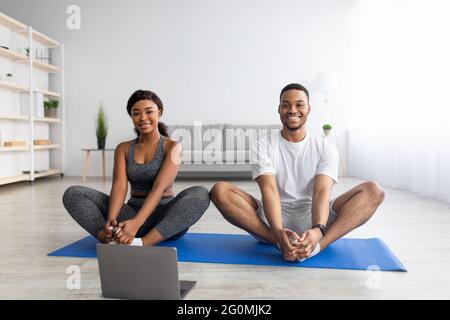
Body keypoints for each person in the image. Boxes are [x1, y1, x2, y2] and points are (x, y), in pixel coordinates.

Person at [210, 83, 385, 261]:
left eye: (299, 104)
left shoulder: (326, 148)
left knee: (374, 191)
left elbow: (321, 192)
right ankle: (278, 242)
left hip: (314, 216)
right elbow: (269, 190)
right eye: (286, 105)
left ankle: (318, 246)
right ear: (279, 109)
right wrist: (278, 233)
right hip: (271, 221)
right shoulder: (263, 146)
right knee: (220, 190)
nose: (292, 110)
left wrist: (318, 229)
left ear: (309, 109)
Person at [63, 90, 210, 246]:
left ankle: (143, 242)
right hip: (130, 215)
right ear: (131, 117)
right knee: (73, 193)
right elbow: (119, 187)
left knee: (200, 193)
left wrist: (136, 224)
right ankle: (107, 237)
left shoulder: (173, 147)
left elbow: (159, 188)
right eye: (136, 113)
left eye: (149, 112)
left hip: (165, 220)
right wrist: (112, 219)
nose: (143, 118)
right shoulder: (123, 148)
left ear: (159, 113)